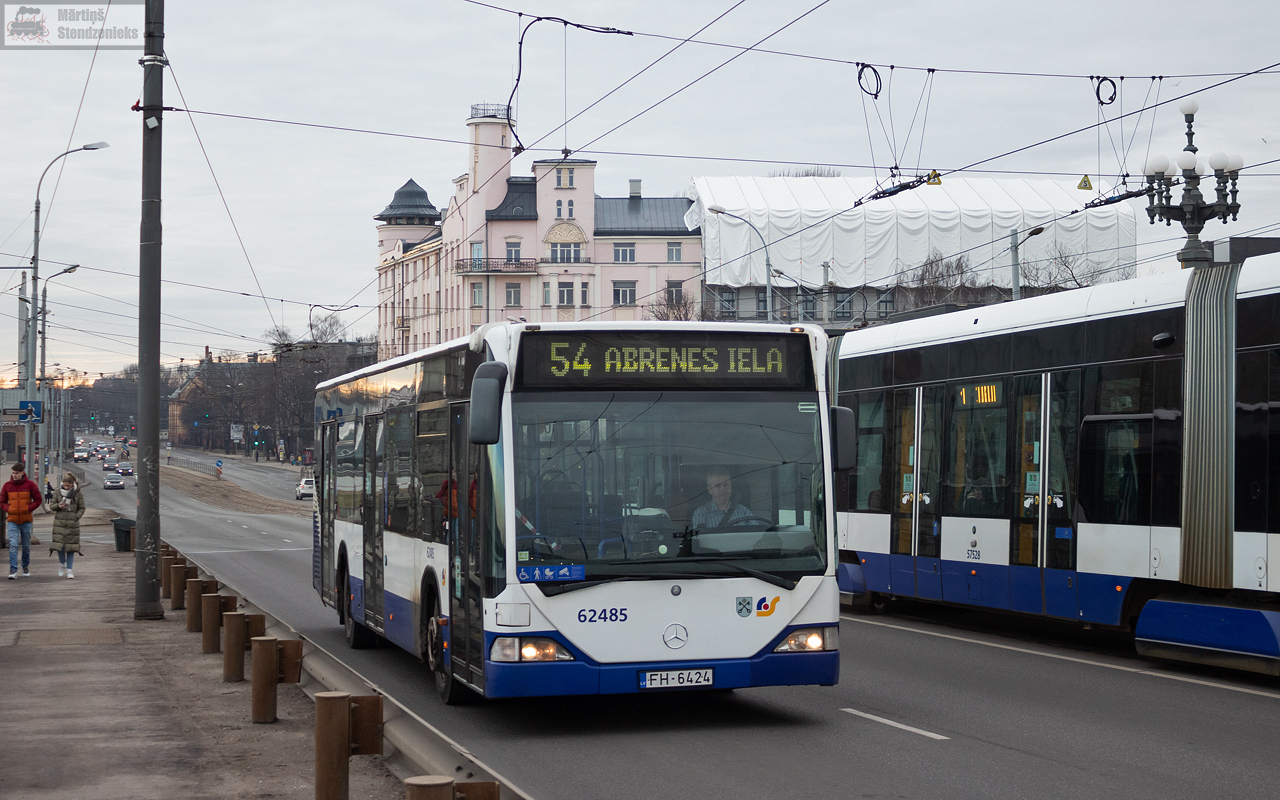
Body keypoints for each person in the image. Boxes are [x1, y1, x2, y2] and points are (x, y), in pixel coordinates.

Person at [3, 462, 43, 579]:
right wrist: (9, 509)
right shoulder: (7, 486)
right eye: (13, 473)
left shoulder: (30, 485)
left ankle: (25, 566)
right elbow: (2, 502)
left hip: (26, 520)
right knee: (13, 545)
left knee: (26, 546)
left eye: (16, 473)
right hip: (12, 519)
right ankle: (13, 569)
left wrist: (28, 508)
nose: (14, 475)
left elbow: (38, 499)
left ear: (22, 473)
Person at [691, 467, 756, 529]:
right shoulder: (701, 513)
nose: (723, 489)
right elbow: (696, 539)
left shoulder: (744, 512)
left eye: (726, 485)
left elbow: (757, 536)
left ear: (731, 487)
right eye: (718, 486)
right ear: (710, 489)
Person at [50, 472, 85, 579]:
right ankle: (62, 564)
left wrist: (76, 517)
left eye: (68, 486)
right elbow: (52, 506)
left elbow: (82, 508)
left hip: (72, 524)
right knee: (59, 546)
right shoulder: (57, 492)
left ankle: (70, 570)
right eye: (65, 485)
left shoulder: (77, 493)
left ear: (72, 484)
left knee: (71, 547)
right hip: (59, 523)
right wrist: (58, 506)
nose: (66, 487)